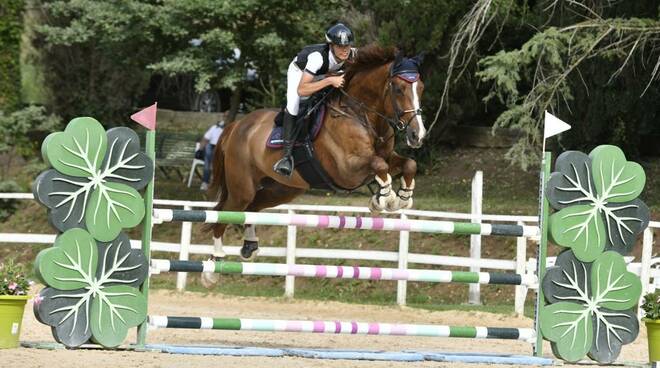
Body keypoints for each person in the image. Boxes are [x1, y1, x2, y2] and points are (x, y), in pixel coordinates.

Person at [272, 23, 357, 177]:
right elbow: (302, 89)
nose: (345, 50)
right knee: (293, 105)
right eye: (339, 46)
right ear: (331, 45)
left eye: (347, 45)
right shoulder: (317, 57)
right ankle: (286, 157)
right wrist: (330, 81)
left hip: (325, 73)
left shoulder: (353, 54)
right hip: (300, 74)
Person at [198, 114, 226, 190]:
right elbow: (205, 139)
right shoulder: (214, 128)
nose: (222, 119)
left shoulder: (228, 129)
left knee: (210, 156)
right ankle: (205, 182)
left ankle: (208, 181)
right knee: (208, 148)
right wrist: (199, 150)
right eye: (222, 117)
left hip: (221, 149)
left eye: (225, 117)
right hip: (211, 149)